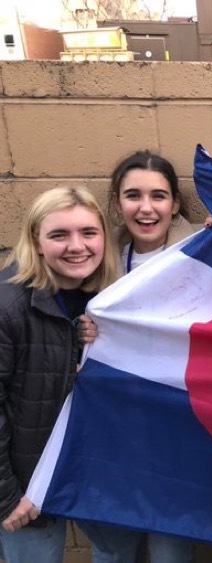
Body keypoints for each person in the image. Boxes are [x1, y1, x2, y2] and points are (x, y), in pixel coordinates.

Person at [77, 150, 200, 563]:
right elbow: (47, 302)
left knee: (170, 546)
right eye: (133, 195)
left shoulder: (205, 248)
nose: (146, 208)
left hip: (177, 423)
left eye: (159, 196)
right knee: (114, 544)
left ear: (176, 204)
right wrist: (76, 330)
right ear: (116, 202)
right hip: (113, 424)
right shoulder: (94, 253)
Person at [0, 186, 117, 563]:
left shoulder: (107, 301)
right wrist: (5, 498)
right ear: (35, 242)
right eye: (58, 235)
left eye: (88, 233)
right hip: (26, 489)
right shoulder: (9, 305)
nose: (76, 246)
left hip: (89, 472)